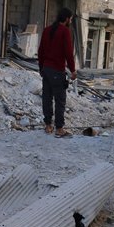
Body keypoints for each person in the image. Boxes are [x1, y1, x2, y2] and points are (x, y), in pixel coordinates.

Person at [38, 8, 76, 137]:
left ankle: (48, 125)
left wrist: (41, 68)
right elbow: (68, 53)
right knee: (60, 100)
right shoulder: (64, 31)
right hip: (57, 70)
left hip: (46, 69)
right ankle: (59, 128)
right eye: (70, 19)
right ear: (66, 19)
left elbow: (41, 51)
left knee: (47, 97)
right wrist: (73, 70)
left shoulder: (47, 30)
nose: (70, 21)